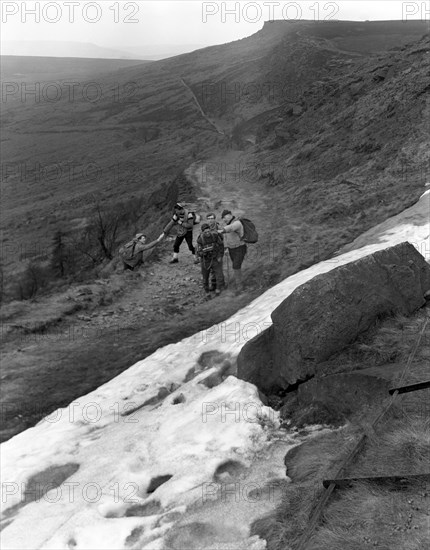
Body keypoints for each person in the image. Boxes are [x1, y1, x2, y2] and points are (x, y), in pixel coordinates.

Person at [218, 209, 247, 294]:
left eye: (225, 217)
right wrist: (226, 248)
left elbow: (231, 228)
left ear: (230, 215)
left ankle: (240, 287)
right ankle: (239, 283)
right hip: (231, 249)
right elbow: (226, 238)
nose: (224, 219)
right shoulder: (228, 224)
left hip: (240, 247)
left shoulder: (237, 223)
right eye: (222, 218)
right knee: (236, 267)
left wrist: (221, 230)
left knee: (236, 266)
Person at [197, 223, 225, 297]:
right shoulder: (200, 239)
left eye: (208, 231)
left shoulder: (215, 236)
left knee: (219, 275)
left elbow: (221, 245)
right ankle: (207, 292)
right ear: (202, 232)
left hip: (215, 258)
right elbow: (198, 251)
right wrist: (202, 253)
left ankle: (218, 289)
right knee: (205, 278)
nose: (207, 233)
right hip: (205, 261)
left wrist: (220, 255)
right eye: (205, 232)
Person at [206, 213, 222, 289]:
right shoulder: (206, 228)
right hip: (210, 251)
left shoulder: (218, 227)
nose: (210, 220)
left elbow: (222, 239)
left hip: (218, 250)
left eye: (212, 218)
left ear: (214, 219)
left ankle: (220, 285)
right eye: (209, 218)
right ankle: (213, 285)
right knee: (212, 269)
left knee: (218, 269)